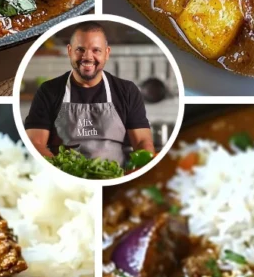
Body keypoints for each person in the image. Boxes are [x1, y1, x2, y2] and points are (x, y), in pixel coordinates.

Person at [24, 22, 155, 168]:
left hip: (115, 177)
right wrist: (64, 173)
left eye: (96, 50)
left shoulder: (127, 90)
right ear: (69, 51)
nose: (87, 57)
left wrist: (142, 168)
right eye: (80, 49)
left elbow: (142, 141)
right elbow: (35, 142)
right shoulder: (49, 90)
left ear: (107, 53)